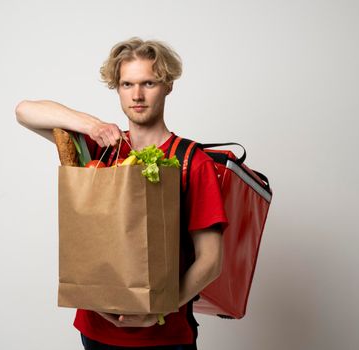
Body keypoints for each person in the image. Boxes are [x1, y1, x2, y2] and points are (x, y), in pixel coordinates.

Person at [15, 37, 228, 349]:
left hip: (164, 336)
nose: (137, 95)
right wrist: (91, 125)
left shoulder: (191, 161)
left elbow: (211, 260)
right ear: (117, 88)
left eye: (149, 83)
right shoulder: (100, 150)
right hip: (95, 329)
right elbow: (25, 111)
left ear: (168, 86)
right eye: (127, 84)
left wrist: (158, 310)